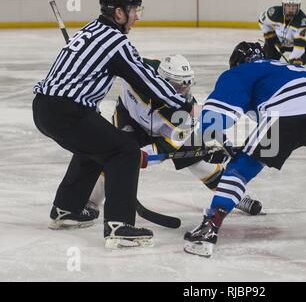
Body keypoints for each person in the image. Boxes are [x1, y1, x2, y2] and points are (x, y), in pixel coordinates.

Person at [32, 0, 196, 249]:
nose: (137, 16)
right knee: (125, 150)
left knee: (94, 147)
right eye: (134, 10)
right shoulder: (116, 42)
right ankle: (119, 227)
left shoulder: (90, 29)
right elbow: (146, 81)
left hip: (45, 108)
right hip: (67, 111)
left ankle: (66, 210)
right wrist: (184, 104)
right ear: (119, 13)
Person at [183, 42, 306, 258]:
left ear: (238, 63)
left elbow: (219, 111)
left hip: (284, 116)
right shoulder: (301, 70)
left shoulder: (243, 70)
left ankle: (210, 226)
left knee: (241, 168)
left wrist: (208, 138)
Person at [87, 54, 264, 216]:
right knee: (115, 158)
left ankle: (234, 196)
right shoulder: (140, 72)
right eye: (178, 87)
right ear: (162, 81)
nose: (183, 93)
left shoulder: (184, 113)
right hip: (129, 120)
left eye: (186, 87)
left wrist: (140, 156)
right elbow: (115, 62)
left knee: (197, 163)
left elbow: (168, 145)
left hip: (164, 135)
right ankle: (91, 203)